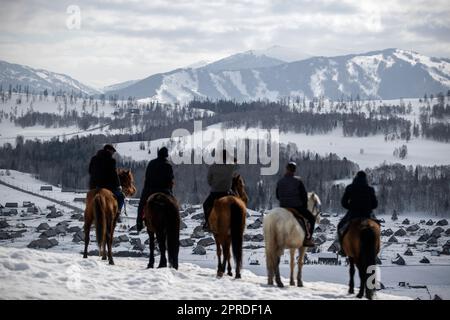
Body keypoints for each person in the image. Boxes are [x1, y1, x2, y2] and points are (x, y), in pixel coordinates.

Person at [337, 171, 379, 254]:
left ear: (356, 177)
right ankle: (376, 247)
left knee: (340, 227)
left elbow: (343, 203)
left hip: (353, 214)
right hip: (367, 214)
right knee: (377, 227)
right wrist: (368, 207)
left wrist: (351, 207)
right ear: (365, 179)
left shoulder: (350, 188)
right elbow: (375, 204)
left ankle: (342, 249)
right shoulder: (370, 189)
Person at [276, 162, 315, 247]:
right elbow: (304, 196)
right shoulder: (298, 181)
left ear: (286, 169)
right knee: (312, 219)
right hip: (297, 207)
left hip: (283, 207)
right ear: (294, 170)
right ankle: (308, 240)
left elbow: (277, 196)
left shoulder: (280, 182)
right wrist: (304, 207)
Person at [136, 147, 174, 232]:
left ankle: (139, 222)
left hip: (149, 190)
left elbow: (147, 177)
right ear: (166, 155)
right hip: (164, 190)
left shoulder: (151, 163)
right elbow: (170, 180)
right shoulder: (168, 165)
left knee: (142, 204)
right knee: (173, 205)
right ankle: (174, 223)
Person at [202, 150, 238, 231]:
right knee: (237, 206)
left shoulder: (212, 167)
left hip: (215, 193)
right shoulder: (230, 166)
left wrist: (214, 185)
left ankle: (208, 223)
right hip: (227, 192)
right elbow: (236, 160)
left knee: (205, 205)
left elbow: (209, 181)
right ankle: (236, 223)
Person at [88, 144, 124, 214]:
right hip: (107, 187)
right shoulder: (111, 160)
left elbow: (90, 171)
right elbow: (114, 175)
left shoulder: (94, 158)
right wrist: (118, 185)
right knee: (121, 196)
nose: (113, 153)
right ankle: (117, 212)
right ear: (108, 150)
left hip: (93, 187)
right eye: (112, 152)